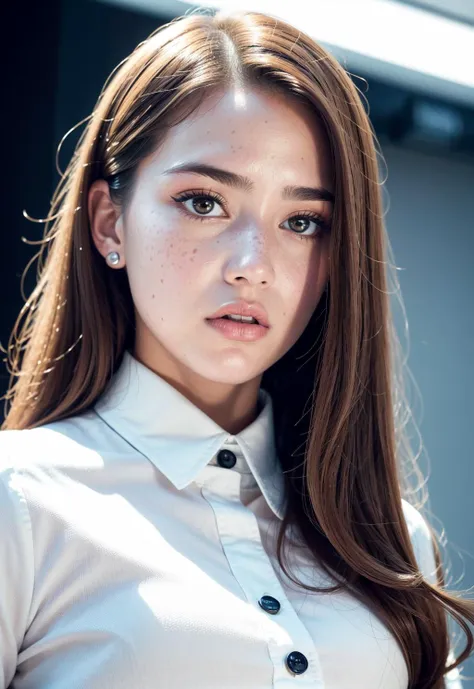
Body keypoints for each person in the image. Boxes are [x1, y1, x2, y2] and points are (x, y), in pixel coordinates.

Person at [0, 7, 472, 689]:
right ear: (110, 223)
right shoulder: (21, 501)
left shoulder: (393, 539)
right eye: (203, 202)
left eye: (303, 221)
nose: (254, 264)